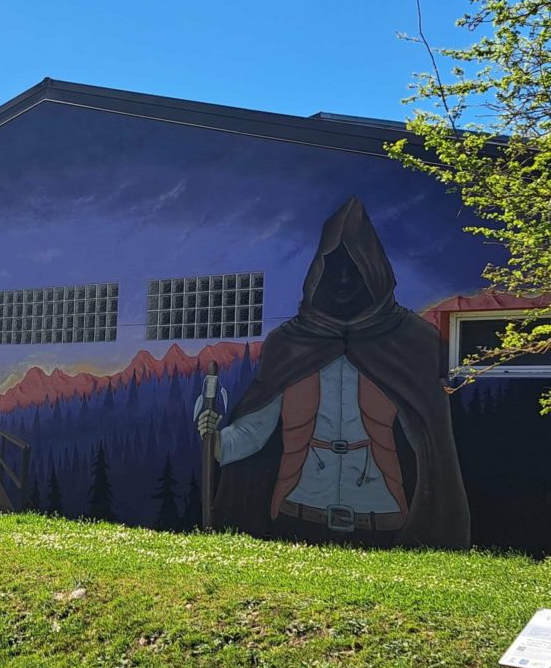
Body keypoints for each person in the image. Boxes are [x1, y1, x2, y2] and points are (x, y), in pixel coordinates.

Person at [197, 196, 470, 549]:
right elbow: (255, 430)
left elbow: (430, 445)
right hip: (297, 516)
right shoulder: (290, 343)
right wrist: (216, 440)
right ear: (317, 273)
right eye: (333, 265)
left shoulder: (412, 341)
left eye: (354, 266)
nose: (342, 278)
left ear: (374, 271)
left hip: (382, 522)